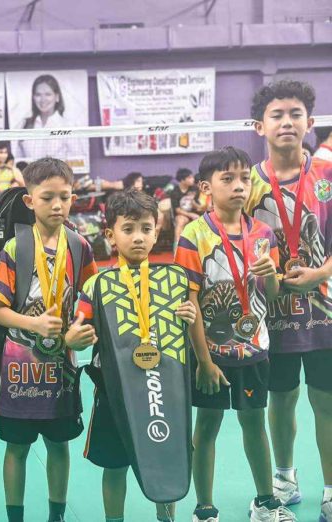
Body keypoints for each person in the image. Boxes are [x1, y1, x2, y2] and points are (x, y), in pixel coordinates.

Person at [175, 146, 295, 522]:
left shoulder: (262, 233)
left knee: (254, 422)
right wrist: (205, 362)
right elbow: (190, 303)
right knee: (206, 427)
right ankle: (205, 508)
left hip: (254, 349)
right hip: (210, 357)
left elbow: (271, 297)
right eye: (227, 179)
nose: (239, 186)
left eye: (244, 178)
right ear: (205, 187)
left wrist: (269, 275)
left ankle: (265, 501)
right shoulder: (193, 236)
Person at [76, 189, 197, 522]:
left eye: (146, 228)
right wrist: (73, 337)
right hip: (115, 393)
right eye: (128, 229)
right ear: (110, 235)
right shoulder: (97, 285)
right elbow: (78, 332)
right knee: (114, 466)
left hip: (164, 390)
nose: (138, 237)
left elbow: (180, 336)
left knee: (169, 454)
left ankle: (166, 516)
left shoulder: (174, 280)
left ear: (157, 232)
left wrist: (190, 317)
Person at [0, 158, 97, 522]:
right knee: (16, 448)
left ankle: (57, 516)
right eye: (47, 197)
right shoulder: (15, 248)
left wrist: (76, 333)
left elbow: (89, 302)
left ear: (72, 198)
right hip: (18, 371)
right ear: (29, 201)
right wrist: (34, 324)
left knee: (59, 445)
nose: (57, 205)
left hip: (61, 370)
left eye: (64, 197)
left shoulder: (80, 246)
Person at [246, 80, 332, 521]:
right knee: (280, 397)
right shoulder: (246, 185)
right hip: (270, 316)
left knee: (325, 399)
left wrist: (319, 272)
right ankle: (284, 477)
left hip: (324, 312)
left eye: (295, 113)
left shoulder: (327, 177)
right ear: (260, 126)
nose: (286, 122)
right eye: (277, 115)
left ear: (310, 122)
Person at [13, 75, 85, 168]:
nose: (43, 99)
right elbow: (18, 162)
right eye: (38, 95)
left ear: (57, 97)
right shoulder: (24, 124)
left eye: (48, 94)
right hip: (30, 181)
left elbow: (79, 162)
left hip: (59, 180)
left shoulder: (68, 126)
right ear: (33, 97)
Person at [171, 167, 199, 248]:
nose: (193, 179)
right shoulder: (175, 191)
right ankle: (177, 247)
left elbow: (198, 206)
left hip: (195, 214)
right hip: (181, 214)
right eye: (190, 177)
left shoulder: (195, 189)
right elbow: (177, 210)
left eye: (192, 177)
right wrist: (191, 215)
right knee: (181, 220)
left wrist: (194, 203)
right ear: (182, 180)